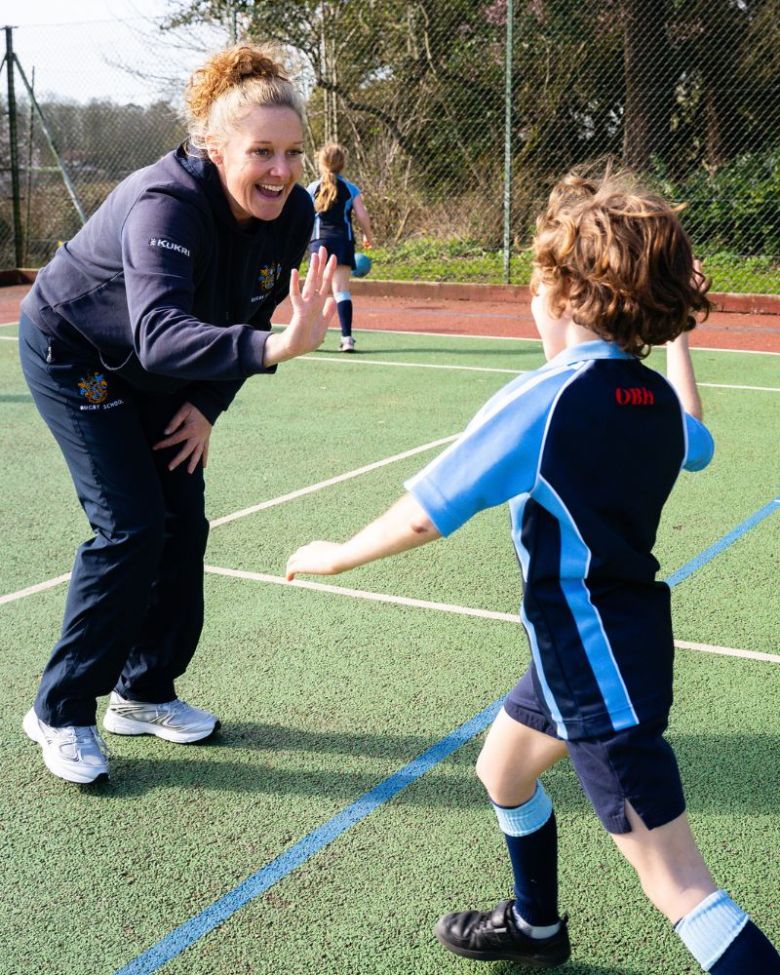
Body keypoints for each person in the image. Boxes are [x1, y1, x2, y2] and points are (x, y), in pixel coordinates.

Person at [286, 171, 780, 973]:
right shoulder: (648, 398)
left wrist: (332, 552)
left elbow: (426, 511)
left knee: (683, 886)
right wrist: (682, 330)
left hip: (598, 677)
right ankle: (537, 926)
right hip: (601, 649)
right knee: (501, 769)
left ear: (562, 292)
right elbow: (700, 439)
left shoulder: (543, 399)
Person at [19, 44, 337, 785]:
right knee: (131, 525)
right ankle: (59, 708)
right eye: (261, 151)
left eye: (291, 152)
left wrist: (207, 404)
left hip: (165, 373)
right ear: (214, 146)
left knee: (183, 524)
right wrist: (278, 346)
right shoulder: (167, 203)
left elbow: (250, 304)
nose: (282, 170)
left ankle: (143, 690)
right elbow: (159, 330)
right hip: (79, 353)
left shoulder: (288, 214)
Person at [307, 143, 374, 352]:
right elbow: (362, 216)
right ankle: (347, 339)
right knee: (341, 291)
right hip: (343, 242)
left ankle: (311, 336)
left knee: (316, 291)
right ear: (342, 164)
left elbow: (303, 216)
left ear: (321, 163)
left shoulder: (312, 187)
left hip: (319, 243)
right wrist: (368, 235)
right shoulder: (350, 188)